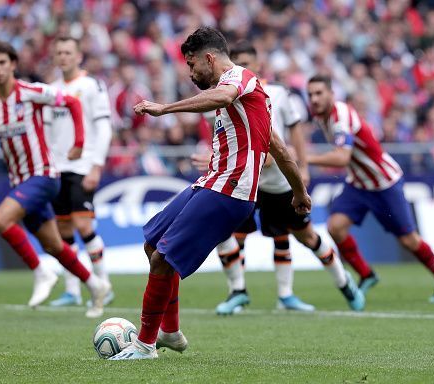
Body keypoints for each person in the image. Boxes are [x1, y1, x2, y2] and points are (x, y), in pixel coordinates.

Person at [109, 27, 311, 360]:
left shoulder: (240, 79)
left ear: (209, 58)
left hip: (231, 191)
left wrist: (165, 108)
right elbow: (278, 147)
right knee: (152, 245)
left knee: (162, 258)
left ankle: (144, 346)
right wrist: (300, 191)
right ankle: (170, 333)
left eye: (191, 65)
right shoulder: (244, 98)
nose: (190, 73)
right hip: (212, 181)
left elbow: (223, 97)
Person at [192, 41, 364, 315]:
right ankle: (238, 291)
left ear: (258, 65)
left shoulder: (278, 94)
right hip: (244, 182)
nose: (243, 68)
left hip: (276, 182)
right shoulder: (217, 100)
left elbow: (293, 133)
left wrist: (303, 166)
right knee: (225, 231)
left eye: (248, 63)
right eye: (238, 63)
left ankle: (342, 283)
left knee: (303, 236)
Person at [0, 40, 109, 318]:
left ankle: (40, 271)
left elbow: (71, 102)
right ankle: (95, 285)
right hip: (20, 181)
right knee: (55, 245)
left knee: (0, 220)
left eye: (2, 63)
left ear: (12, 64)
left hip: (44, 174)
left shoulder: (31, 91)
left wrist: (80, 143)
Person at [306, 74, 434, 303]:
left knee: (408, 240)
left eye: (319, 93)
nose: (314, 99)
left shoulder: (341, 115)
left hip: (383, 182)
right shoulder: (321, 116)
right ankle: (366, 274)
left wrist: (304, 158)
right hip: (359, 183)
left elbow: (341, 158)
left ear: (331, 94)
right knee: (335, 227)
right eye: (310, 94)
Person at [43, 36, 114, 307]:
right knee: (63, 230)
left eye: (68, 52)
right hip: (57, 169)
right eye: (59, 52)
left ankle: (103, 285)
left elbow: (104, 127)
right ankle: (72, 290)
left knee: (83, 224)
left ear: (78, 56)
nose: (63, 56)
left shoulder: (91, 86)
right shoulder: (51, 90)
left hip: (83, 166)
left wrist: (97, 165)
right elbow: (48, 132)